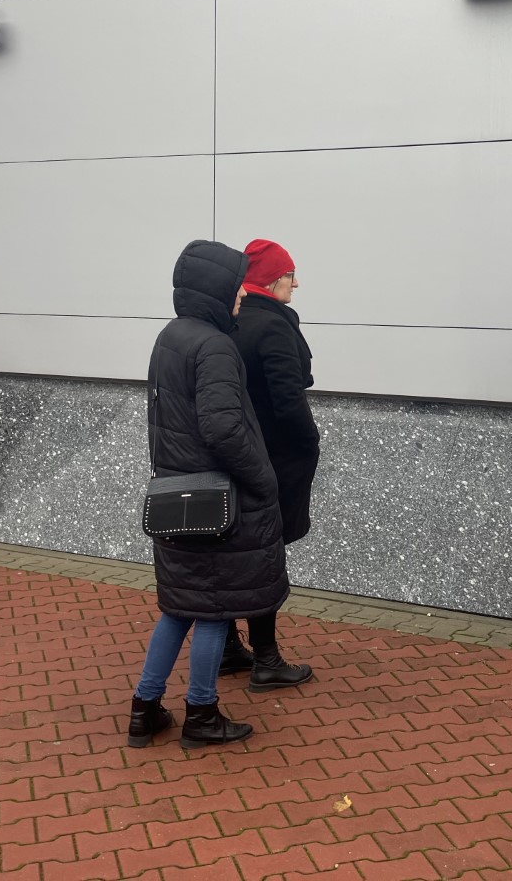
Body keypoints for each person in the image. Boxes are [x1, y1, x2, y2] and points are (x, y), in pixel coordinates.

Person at [129, 239, 289, 750]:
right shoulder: (215, 346)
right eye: (236, 288)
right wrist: (263, 479)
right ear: (216, 291)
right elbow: (223, 430)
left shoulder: (170, 336)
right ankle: (202, 713)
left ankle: (144, 709)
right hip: (217, 500)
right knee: (217, 608)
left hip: (176, 493)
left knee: (178, 608)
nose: (242, 296)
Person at [222, 239, 317, 691]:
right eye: (289, 275)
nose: (296, 283)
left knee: (228, 551)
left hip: (236, 454)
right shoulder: (274, 327)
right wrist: (309, 442)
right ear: (270, 279)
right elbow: (288, 400)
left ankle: (226, 650)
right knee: (266, 555)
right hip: (275, 460)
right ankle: (266, 658)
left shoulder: (231, 321)